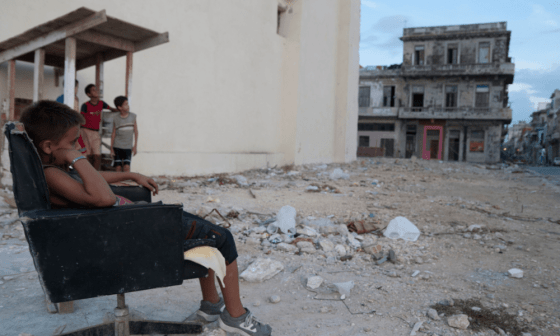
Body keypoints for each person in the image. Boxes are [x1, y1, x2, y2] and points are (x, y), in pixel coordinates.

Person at [19, 101, 272, 336]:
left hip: (135, 223)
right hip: (135, 230)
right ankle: (236, 318)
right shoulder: (52, 174)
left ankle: (211, 307)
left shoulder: (54, 171)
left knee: (207, 233)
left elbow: (92, 180)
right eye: (74, 142)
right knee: (222, 238)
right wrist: (76, 158)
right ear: (49, 147)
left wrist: (132, 174)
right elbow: (104, 198)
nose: (80, 147)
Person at [80, 84, 118, 170]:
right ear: (88, 94)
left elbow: (111, 109)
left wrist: (121, 110)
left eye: (96, 89)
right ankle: (87, 173)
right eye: (93, 90)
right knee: (87, 154)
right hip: (85, 131)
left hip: (96, 132)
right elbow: (81, 118)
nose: (96, 91)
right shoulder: (85, 105)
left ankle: (96, 174)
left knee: (97, 155)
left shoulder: (101, 103)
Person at [110, 96, 137, 172]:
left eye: (127, 103)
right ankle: (118, 183)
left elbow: (136, 132)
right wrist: (111, 148)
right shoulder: (116, 118)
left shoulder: (133, 116)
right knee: (118, 167)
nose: (128, 106)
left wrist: (135, 146)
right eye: (125, 104)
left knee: (127, 167)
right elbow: (113, 133)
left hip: (128, 147)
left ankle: (126, 183)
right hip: (117, 146)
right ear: (120, 107)